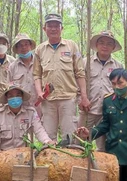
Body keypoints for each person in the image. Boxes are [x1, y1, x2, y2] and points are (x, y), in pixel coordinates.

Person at [77, 68, 127, 181]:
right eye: (113, 84)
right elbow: (105, 125)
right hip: (114, 154)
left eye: (120, 83)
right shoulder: (109, 100)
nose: (117, 87)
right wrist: (90, 134)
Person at [33, 13, 90, 142]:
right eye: (50, 26)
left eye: (56, 26)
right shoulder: (40, 49)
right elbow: (36, 74)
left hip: (68, 98)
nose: (53, 29)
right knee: (48, 137)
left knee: (69, 136)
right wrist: (39, 92)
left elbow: (80, 73)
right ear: (44, 29)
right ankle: (48, 162)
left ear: (61, 28)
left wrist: (84, 96)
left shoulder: (71, 46)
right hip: (48, 100)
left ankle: (69, 160)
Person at [78, 30, 123, 152]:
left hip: (107, 112)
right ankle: (82, 168)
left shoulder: (118, 65)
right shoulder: (85, 62)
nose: (105, 46)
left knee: (103, 145)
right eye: (102, 42)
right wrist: (81, 99)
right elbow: (77, 83)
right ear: (96, 45)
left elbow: (121, 88)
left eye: (109, 44)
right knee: (81, 142)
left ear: (113, 47)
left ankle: (99, 169)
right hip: (87, 108)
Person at [0, 84, 55, 151]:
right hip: (5, 153)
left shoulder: (31, 112)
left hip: (25, 153)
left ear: (22, 97)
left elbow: (39, 130)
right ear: (7, 98)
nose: (15, 98)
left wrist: (47, 141)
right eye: (11, 96)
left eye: (18, 95)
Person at [8, 33, 42, 117]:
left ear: (30, 46)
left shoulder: (40, 63)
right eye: (20, 45)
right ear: (17, 49)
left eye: (26, 44)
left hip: (39, 106)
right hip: (21, 108)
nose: (24, 47)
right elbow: (8, 88)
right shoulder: (12, 67)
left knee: (40, 129)